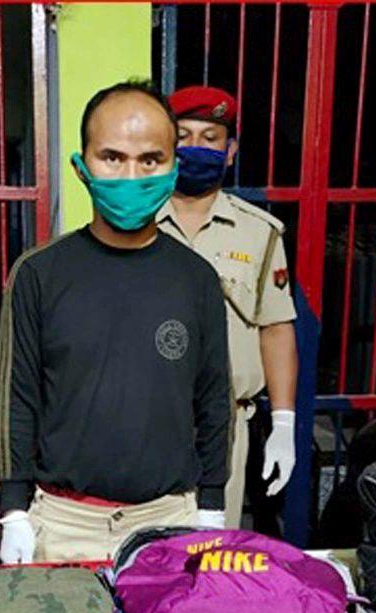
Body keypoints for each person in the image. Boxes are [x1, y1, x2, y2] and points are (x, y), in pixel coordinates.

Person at [0, 80, 233, 563]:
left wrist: (212, 506)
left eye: (151, 160)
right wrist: (14, 511)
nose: (131, 176)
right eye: (112, 158)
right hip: (63, 524)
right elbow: (16, 398)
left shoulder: (197, 279)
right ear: (81, 166)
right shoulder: (38, 274)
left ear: (173, 166)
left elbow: (214, 399)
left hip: (170, 522)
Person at [158, 86, 298, 529]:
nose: (195, 148)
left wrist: (284, 424)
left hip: (226, 425)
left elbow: (275, 327)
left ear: (230, 151)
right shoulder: (135, 224)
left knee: (210, 548)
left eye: (210, 138)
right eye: (183, 136)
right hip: (145, 417)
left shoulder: (259, 232)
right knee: (144, 549)